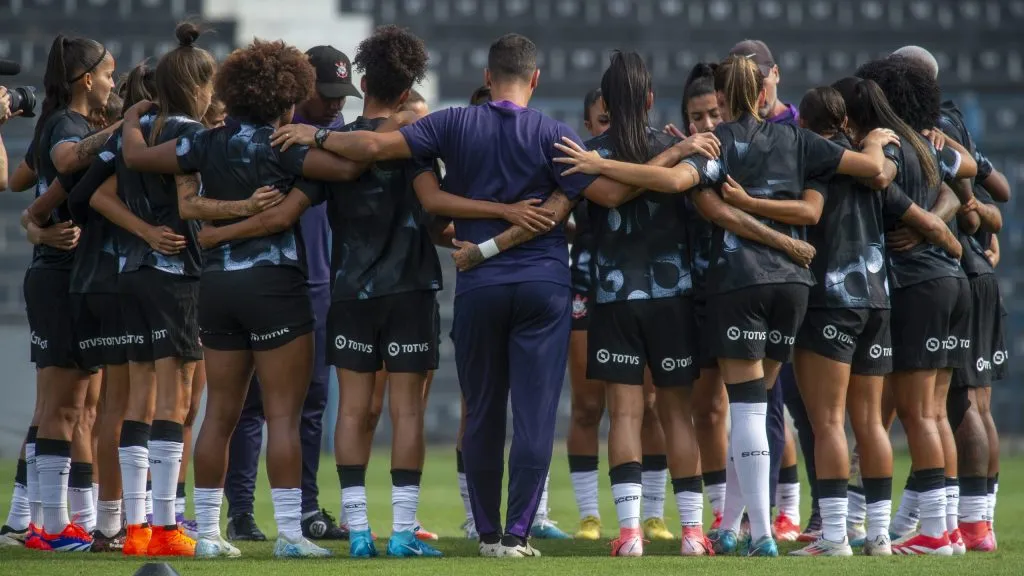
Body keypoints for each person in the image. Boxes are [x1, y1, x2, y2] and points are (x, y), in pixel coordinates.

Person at [271, 32, 699, 557]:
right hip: (543, 286)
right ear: (535, 79)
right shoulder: (555, 134)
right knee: (535, 416)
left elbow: (374, 147)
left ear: (487, 77)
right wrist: (675, 152)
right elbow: (609, 194)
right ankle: (517, 533)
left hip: (479, 285)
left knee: (481, 412)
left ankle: (487, 533)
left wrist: (314, 135)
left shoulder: (452, 123)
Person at [550, 54, 900, 557]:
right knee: (716, 410)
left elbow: (647, 190)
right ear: (761, 93)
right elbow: (854, 183)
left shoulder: (690, 146)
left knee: (669, 414)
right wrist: (876, 142)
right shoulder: (773, 141)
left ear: (721, 99)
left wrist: (603, 163)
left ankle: (669, 534)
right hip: (749, 290)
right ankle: (713, 529)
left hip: (679, 290)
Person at [119, 37, 370, 559]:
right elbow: (349, 169)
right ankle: (291, 537)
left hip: (215, 287)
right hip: (275, 286)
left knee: (219, 414)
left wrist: (132, 117)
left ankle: (210, 535)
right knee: (283, 416)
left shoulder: (204, 142)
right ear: (287, 99)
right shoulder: (285, 146)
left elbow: (136, 156)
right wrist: (320, 141)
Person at [223, 43, 355, 545]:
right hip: (266, 277)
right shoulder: (273, 132)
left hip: (318, 282)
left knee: (313, 401)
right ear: (300, 89)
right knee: (251, 403)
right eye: (327, 93)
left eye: (342, 94)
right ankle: (241, 512)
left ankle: (305, 508)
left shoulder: (332, 132)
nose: (336, 104)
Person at [853, 55, 978, 555]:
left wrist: (869, 150)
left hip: (916, 284)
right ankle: (947, 530)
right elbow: (966, 173)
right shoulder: (929, 144)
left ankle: (934, 533)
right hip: (951, 282)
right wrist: (936, 221)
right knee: (935, 412)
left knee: (916, 412)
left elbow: (878, 178)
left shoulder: (891, 144)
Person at [21, 34, 117, 553]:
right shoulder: (65, 126)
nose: (111, 84)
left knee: (74, 407)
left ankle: (50, 521)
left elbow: (27, 193)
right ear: (86, 79)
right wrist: (126, 126)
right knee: (62, 407)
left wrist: (33, 224)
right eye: (108, 74)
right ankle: (52, 527)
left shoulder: (70, 123)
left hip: (69, 275)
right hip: (59, 279)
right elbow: (65, 159)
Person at [727, 39, 812, 541]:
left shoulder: (799, 131)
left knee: (784, 410)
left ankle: (777, 522)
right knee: (765, 405)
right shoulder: (732, 135)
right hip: (790, 280)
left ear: (775, 74)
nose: (756, 86)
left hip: (777, 281)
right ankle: (754, 521)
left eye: (760, 76)